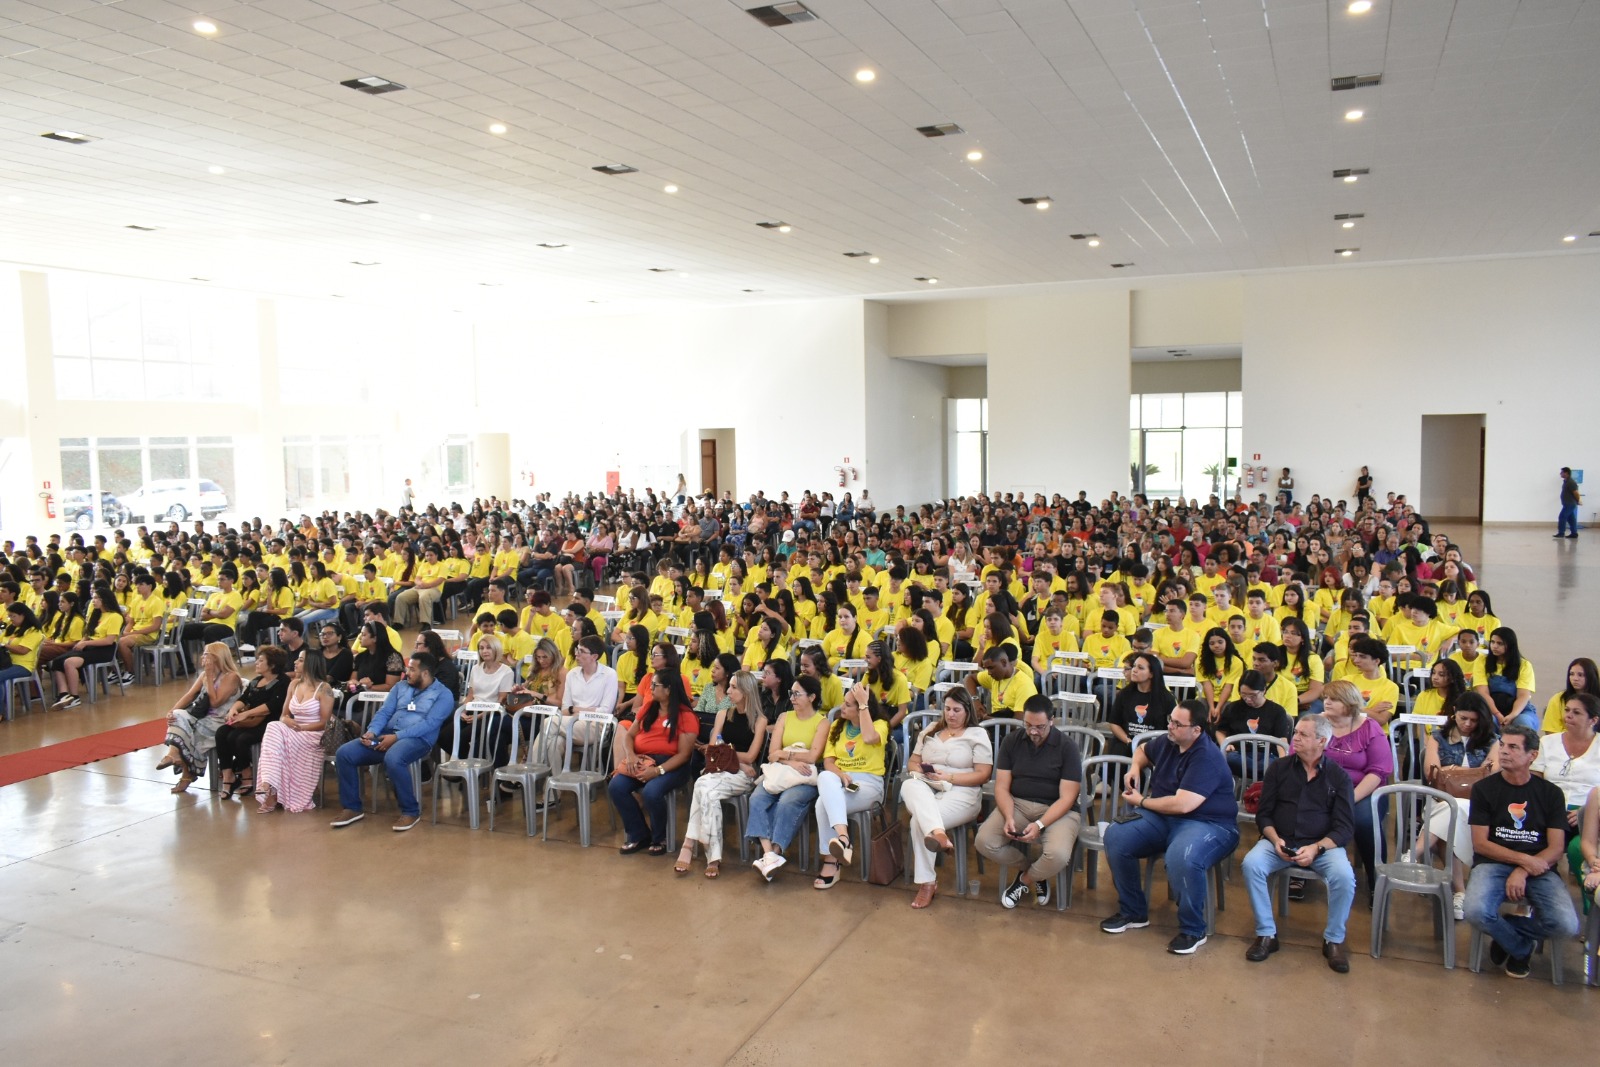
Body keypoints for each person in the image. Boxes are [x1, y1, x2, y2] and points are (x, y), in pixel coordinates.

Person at [1101, 698, 1240, 954]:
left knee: (1182, 856)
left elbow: (1183, 804)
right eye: (1170, 721)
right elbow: (1143, 750)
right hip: (1165, 817)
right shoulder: (1169, 741)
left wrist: (1142, 800)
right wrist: (1134, 767)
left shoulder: (1206, 756)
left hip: (1209, 823)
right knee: (1116, 835)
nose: (1170, 727)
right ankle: (1133, 912)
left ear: (1196, 730)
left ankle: (1193, 929)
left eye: (1177, 724)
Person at [1240, 714, 1358, 972]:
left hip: (1322, 846)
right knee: (1252, 864)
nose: (1296, 738)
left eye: (1303, 735)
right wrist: (1275, 839)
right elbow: (1264, 814)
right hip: (1279, 840)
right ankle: (1266, 934)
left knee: (1344, 876)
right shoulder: (1279, 769)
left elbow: (1344, 827)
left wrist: (1317, 848)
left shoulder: (1338, 777)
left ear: (1322, 741)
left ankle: (1334, 939)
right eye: (1296, 733)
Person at [1464, 725, 1581, 979]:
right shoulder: (1484, 789)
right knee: (1474, 911)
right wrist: (1522, 861)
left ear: (1532, 756)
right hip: (1492, 863)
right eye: (1503, 745)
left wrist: (1523, 869)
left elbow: (1557, 847)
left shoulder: (1551, 794)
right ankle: (1519, 946)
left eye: (1513, 747)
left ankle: (1506, 932)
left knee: (1566, 925)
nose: (1504, 752)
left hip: (1539, 867)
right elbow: (1481, 844)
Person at [974, 693, 1082, 909]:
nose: (1033, 731)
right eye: (1028, 725)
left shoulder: (1067, 747)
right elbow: (1002, 787)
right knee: (984, 841)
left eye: (1040, 727)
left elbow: (1068, 798)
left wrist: (1041, 824)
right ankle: (1035, 872)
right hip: (1019, 803)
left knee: (1058, 855)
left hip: (1058, 809)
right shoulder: (1012, 741)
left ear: (1052, 721)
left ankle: (1024, 881)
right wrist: (1007, 815)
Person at [329, 652, 455, 832]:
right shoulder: (401, 687)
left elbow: (429, 724)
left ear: (425, 673)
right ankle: (352, 808)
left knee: (393, 758)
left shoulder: (443, 694)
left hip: (418, 739)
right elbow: (385, 713)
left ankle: (410, 811)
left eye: (412, 669)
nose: (407, 672)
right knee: (345, 753)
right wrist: (371, 732)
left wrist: (397, 738)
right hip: (387, 734)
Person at [901, 688, 993, 909]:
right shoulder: (932, 729)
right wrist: (925, 773)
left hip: (963, 791)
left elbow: (983, 774)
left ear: (967, 710)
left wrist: (949, 776)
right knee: (909, 783)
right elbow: (912, 763)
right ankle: (939, 833)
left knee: (917, 821)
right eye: (948, 709)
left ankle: (927, 883)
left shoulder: (976, 735)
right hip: (929, 786)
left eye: (957, 710)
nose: (951, 714)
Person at [674, 670, 767, 878]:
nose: (728, 691)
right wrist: (737, 760)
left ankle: (689, 845)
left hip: (744, 776)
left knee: (701, 785)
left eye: (734, 687)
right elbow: (713, 750)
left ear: (746, 691)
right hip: (721, 770)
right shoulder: (723, 714)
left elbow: (751, 755)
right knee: (707, 791)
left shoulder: (759, 721)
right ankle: (712, 856)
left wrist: (731, 756)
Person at [1419, 692, 1500, 919]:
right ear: (1454, 712)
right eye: (1463, 718)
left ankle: (1416, 850)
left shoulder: (1493, 741)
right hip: (1439, 799)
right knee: (1452, 814)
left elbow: (1490, 777)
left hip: (1479, 807)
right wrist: (1472, 774)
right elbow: (1432, 772)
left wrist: (1452, 773)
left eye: (1473, 720)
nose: (1467, 724)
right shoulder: (1437, 737)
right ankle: (1460, 892)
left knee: (1455, 813)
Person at [747, 674, 829, 880]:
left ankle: (775, 852)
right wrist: (791, 760)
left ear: (812, 697)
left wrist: (785, 754)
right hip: (782, 772)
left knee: (787, 801)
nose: (792, 697)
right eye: (791, 693)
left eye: (797, 694)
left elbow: (812, 757)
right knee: (756, 798)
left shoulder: (822, 722)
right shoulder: (784, 717)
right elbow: (773, 753)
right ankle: (769, 854)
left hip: (805, 776)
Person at [812, 683, 891, 890]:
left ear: (862, 708)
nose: (841, 707)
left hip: (869, 783)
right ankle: (844, 839)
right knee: (825, 777)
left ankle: (832, 862)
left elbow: (868, 737)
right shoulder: (837, 727)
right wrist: (842, 775)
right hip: (840, 780)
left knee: (822, 804)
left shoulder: (880, 724)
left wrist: (863, 703)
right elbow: (829, 762)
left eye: (848, 705)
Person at [608, 671, 697, 854]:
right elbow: (629, 736)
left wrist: (657, 771)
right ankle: (638, 834)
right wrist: (631, 755)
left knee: (651, 792)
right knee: (616, 786)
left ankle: (659, 838)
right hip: (642, 760)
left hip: (672, 765)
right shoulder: (649, 708)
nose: (651, 688)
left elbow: (684, 755)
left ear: (669, 690)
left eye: (655, 685)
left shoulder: (685, 716)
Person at [1321, 678, 1393, 899]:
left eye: (1334, 699)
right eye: (1325, 698)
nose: (1327, 702)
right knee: (1301, 810)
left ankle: (1376, 880)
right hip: (1322, 788)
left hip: (1364, 791)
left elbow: (1378, 771)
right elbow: (1297, 757)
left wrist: (1350, 798)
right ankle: (1302, 871)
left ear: (1349, 703)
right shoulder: (1316, 724)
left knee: (1363, 820)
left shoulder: (1370, 727)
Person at [155, 642, 244, 794]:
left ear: (217, 657)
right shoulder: (204, 675)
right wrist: (172, 710)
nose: (202, 657)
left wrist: (209, 677)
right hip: (201, 718)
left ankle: (185, 772)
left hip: (219, 721)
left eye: (206, 654)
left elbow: (216, 702)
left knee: (189, 733)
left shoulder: (231, 677)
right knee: (177, 716)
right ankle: (173, 754)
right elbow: (190, 695)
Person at [254, 647, 334, 813]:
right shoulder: (293, 684)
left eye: (301, 660)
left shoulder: (324, 688)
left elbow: (324, 723)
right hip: (294, 730)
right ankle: (270, 784)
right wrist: (288, 721)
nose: (295, 662)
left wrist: (300, 727)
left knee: (274, 730)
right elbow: (283, 715)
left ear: (311, 663)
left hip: (313, 733)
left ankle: (270, 789)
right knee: (274, 726)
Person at [1530, 691, 1600, 878]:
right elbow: (1534, 781)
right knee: (1530, 842)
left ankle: (1589, 896)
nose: (1568, 715)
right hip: (1550, 810)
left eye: (1576, 713)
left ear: (1593, 720)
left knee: (1578, 850)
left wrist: (1584, 812)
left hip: (1587, 813)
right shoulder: (1547, 742)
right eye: (1567, 710)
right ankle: (1532, 898)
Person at [211, 645, 291, 800]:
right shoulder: (256, 681)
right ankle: (228, 775)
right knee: (222, 733)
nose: (256, 663)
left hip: (271, 723)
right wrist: (234, 710)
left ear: (272, 665)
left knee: (240, 738)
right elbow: (243, 699)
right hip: (250, 720)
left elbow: (271, 707)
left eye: (261, 660)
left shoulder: (283, 682)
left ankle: (246, 773)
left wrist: (245, 714)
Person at [1105, 651, 1174, 757]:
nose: (1134, 670)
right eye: (1134, 666)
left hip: (1154, 746)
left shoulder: (1166, 698)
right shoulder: (1124, 694)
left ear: (1152, 674)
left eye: (1140, 668)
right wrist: (1129, 742)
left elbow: (1170, 728)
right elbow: (1114, 723)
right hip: (1126, 743)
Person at [1555, 466, 1580, 539]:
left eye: (1562, 472)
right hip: (1567, 503)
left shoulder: (1571, 482)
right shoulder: (1566, 481)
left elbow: (1576, 493)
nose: (1560, 474)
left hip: (1570, 504)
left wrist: (1578, 500)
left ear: (1566, 473)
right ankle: (1574, 533)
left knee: (1562, 517)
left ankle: (1561, 533)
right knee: (1571, 519)